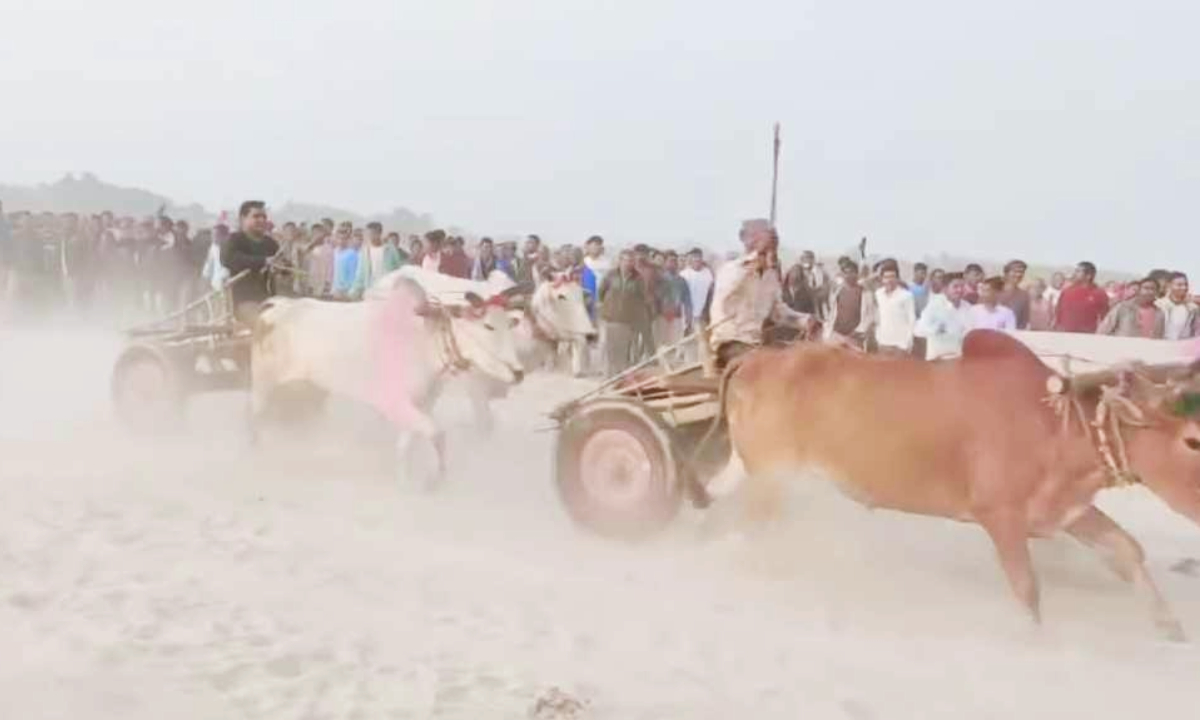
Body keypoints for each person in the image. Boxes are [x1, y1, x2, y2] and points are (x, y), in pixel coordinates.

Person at [708, 219, 814, 369]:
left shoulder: (770, 276)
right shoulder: (731, 269)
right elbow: (728, 290)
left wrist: (804, 320)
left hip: (755, 343)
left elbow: (778, 313)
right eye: (760, 235)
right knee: (769, 367)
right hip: (730, 342)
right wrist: (754, 260)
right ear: (746, 239)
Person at [220, 200, 280, 323]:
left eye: (264, 217)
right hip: (243, 301)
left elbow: (281, 262)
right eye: (256, 216)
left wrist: (283, 266)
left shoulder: (270, 243)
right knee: (264, 321)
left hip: (269, 299)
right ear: (243, 218)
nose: (262, 220)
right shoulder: (234, 239)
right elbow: (229, 259)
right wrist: (263, 261)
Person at [597, 249, 653, 376]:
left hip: (628, 321)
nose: (629, 263)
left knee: (624, 351)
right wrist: (605, 307)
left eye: (631, 261)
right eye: (626, 260)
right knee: (609, 349)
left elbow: (642, 298)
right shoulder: (610, 275)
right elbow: (601, 292)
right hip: (610, 318)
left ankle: (621, 377)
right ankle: (608, 376)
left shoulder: (638, 278)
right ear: (620, 261)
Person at [914, 273, 973, 359]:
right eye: (955, 287)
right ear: (945, 289)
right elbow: (919, 330)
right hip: (938, 357)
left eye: (962, 286)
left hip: (960, 356)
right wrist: (937, 329)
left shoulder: (967, 306)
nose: (960, 290)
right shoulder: (934, 305)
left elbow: (970, 331)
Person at [823, 259, 875, 350]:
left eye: (852, 272)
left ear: (857, 274)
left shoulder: (865, 293)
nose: (849, 275)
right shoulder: (837, 291)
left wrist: (858, 331)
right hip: (836, 335)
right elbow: (832, 312)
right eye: (846, 272)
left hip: (855, 337)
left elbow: (870, 316)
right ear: (843, 275)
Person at [872, 260, 916, 355]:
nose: (889, 280)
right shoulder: (878, 294)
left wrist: (908, 341)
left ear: (897, 278)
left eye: (892, 277)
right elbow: (878, 317)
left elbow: (912, 319)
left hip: (900, 345)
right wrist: (878, 336)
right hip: (883, 343)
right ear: (882, 279)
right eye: (886, 277)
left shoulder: (906, 295)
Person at [1098, 277, 1164, 339]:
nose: (1149, 292)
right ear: (1139, 290)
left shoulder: (1159, 314)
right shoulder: (1123, 307)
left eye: (1152, 289)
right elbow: (1104, 328)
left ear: (1156, 292)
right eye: (1146, 288)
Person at [351, 221, 403, 297]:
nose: (369, 236)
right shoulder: (365, 252)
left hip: (387, 290)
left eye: (372, 234)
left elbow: (398, 269)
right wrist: (353, 292)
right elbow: (360, 274)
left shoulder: (390, 250)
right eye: (368, 234)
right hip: (371, 290)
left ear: (379, 234)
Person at [1055, 261, 1109, 333]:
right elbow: (1059, 312)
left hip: (1086, 336)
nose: (1074, 274)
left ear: (1088, 276)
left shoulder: (1099, 294)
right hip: (1064, 334)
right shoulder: (1067, 291)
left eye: (1078, 271)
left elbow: (1105, 317)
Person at [1157, 272, 1199, 340]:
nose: (1184, 287)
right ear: (1169, 285)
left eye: (1186, 284)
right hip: (1162, 345)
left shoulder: (1192, 308)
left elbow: (1195, 330)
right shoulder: (1159, 305)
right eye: (1179, 285)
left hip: (1184, 346)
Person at [996, 259, 1031, 329]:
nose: (1018, 275)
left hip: (1012, 334)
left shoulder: (1024, 295)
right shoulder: (993, 290)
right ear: (1006, 272)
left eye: (1022, 272)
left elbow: (1023, 321)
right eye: (1015, 271)